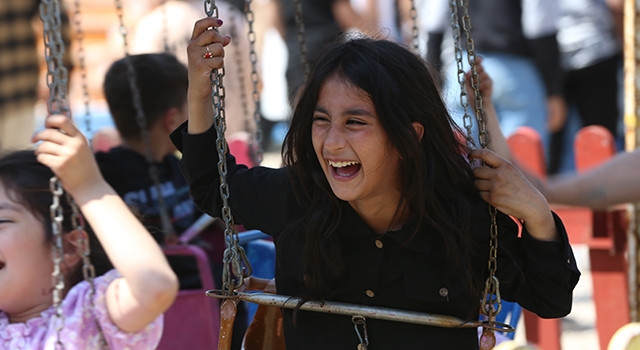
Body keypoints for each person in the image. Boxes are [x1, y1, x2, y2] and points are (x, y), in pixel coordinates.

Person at [171, 18, 580, 349]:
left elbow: (551, 300)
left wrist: (537, 214)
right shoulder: (299, 198)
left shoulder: (461, 216)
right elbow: (213, 187)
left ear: (409, 136)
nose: (332, 143)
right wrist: (199, 93)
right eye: (321, 120)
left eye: (355, 122)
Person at [96, 53, 248, 348]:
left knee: (236, 279)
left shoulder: (180, 167)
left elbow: (212, 208)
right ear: (172, 119)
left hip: (206, 291)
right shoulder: (105, 173)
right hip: (156, 295)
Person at [0, 114, 178, 348]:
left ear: (68, 247)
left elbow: (155, 286)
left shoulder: (91, 313)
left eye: (2, 220)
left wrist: (88, 187)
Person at [426, 0, 566, 157]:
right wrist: (553, 89)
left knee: (465, 157)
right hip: (514, 70)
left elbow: (433, 21)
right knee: (522, 157)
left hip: (464, 66)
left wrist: (433, 79)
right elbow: (538, 26)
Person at [0, 0, 71, 151]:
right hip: (17, 88)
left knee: (15, 166)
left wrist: (60, 87)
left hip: (16, 90)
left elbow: (55, 16)